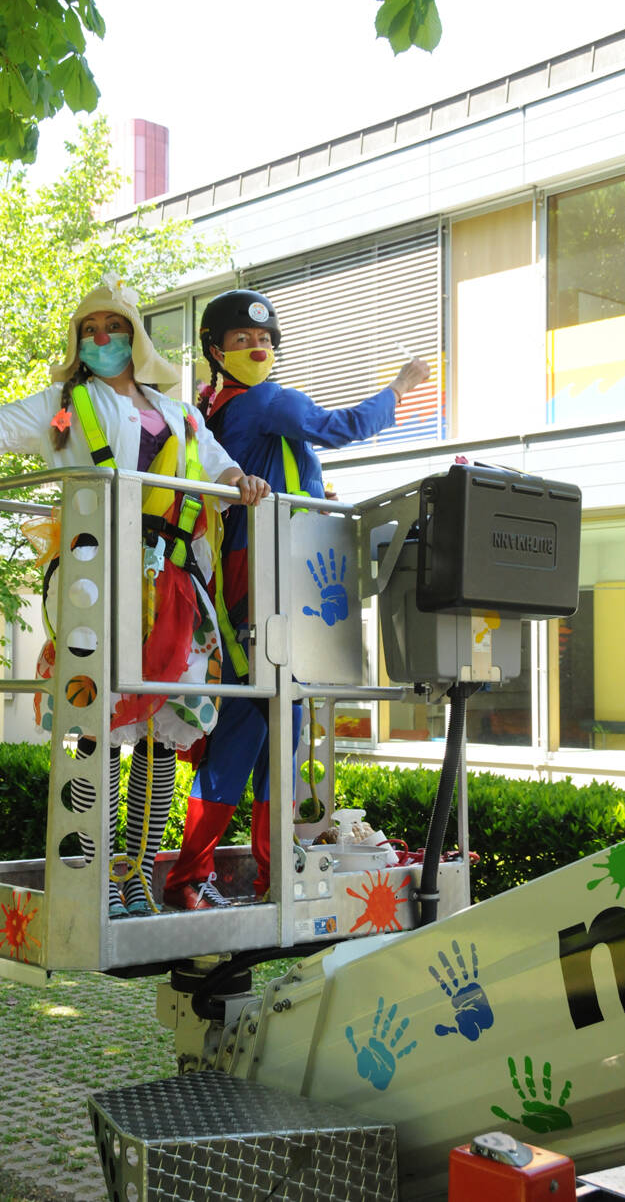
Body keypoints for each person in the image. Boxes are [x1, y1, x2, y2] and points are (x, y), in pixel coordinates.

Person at [0, 278, 269, 918]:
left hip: (173, 584)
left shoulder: (182, 413)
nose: (103, 339)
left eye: (114, 327)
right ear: (79, 343)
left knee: (165, 730)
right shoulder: (67, 408)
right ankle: (101, 872)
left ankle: (138, 874)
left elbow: (217, 465)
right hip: (97, 578)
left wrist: (241, 481)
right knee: (103, 724)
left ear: (135, 337)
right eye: (91, 330)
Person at [162, 288, 430, 910]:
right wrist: (399, 387)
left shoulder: (220, 407)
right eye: (242, 341)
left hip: (262, 583)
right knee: (252, 732)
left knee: (278, 739)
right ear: (214, 352)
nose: (258, 348)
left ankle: (270, 872)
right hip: (273, 585)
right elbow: (342, 428)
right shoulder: (267, 401)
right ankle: (192, 878)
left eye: (265, 340)